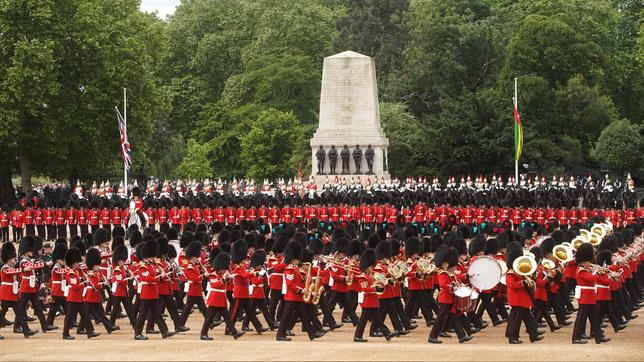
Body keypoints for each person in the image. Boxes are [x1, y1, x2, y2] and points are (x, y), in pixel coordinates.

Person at [276, 241, 324, 341]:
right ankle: (280, 335)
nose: (299, 261)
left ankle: (312, 333)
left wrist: (309, 291)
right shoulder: (289, 269)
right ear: (293, 259)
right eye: (297, 259)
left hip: (297, 296)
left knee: (304, 316)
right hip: (292, 296)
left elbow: (302, 281)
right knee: (286, 316)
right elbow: (290, 284)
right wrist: (301, 290)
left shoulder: (296, 269)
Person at [428, 245, 472, 344]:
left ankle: (462, 336)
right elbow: (444, 285)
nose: (447, 264)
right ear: (442, 263)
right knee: (440, 319)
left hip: (450, 298)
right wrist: (453, 286)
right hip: (445, 299)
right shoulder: (442, 273)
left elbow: (453, 282)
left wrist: (458, 285)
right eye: (446, 262)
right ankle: (432, 336)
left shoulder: (447, 272)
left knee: (455, 316)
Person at [133, 240, 176, 340]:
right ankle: (137, 333)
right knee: (143, 313)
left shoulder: (152, 265)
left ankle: (164, 331)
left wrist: (163, 274)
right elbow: (147, 279)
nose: (153, 258)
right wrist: (160, 277)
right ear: (146, 256)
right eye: (152, 256)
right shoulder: (142, 266)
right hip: (146, 292)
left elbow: (156, 275)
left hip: (153, 292)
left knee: (157, 313)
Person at [353, 248, 396, 342]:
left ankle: (387, 334)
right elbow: (365, 289)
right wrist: (376, 287)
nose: (373, 268)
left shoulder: (370, 276)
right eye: (371, 267)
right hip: (367, 302)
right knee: (363, 321)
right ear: (367, 267)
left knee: (378, 319)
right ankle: (357, 336)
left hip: (373, 301)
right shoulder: (362, 277)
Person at [200, 251, 244, 340]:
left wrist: (228, 278)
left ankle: (234, 333)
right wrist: (224, 278)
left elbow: (224, 283)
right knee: (209, 318)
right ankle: (203, 334)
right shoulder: (213, 275)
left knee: (227, 318)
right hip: (215, 300)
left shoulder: (220, 274)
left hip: (221, 299)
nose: (225, 270)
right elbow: (216, 284)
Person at [572, 243, 610, 344]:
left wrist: (598, 270)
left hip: (590, 296)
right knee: (581, 318)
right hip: (585, 297)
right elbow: (591, 279)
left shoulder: (587, 268)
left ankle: (599, 337)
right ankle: (575, 338)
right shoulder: (581, 269)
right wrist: (596, 271)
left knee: (594, 318)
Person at [505, 242, 542, 344]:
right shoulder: (510, 273)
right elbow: (512, 285)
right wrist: (523, 282)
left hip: (522, 299)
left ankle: (533, 335)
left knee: (529, 319)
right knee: (516, 321)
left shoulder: (519, 272)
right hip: (517, 300)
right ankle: (513, 338)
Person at [0, 242, 37, 338]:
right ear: (9, 259)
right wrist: (23, 270)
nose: (15, 260)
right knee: (1, 315)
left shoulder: (11, 267)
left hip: (13, 294)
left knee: (20, 313)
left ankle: (26, 331)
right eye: (13, 258)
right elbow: (12, 272)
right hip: (6, 294)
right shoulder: (5, 268)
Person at [62, 247, 99, 339]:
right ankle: (65, 334)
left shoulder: (76, 272)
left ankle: (90, 332)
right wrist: (84, 283)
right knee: (70, 317)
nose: (79, 264)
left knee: (85, 314)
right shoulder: (71, 273)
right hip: (73, 298)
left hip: (79, 298)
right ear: (73, 263)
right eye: (77, 263)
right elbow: (75, 287)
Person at [84, 248, 118, 333]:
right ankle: (81, 328)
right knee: (86, 313)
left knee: (101, 313)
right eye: (96, 266)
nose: (98, 267)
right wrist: (103, 284)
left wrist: (104, 280)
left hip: (95, 296)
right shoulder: (91, 274)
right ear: (92, 266)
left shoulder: (98, 272)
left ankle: (109, 327)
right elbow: (95, 285)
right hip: (91, 296)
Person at [46, 242, 68, 328]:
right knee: (53, 308)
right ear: (58, 260)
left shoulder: (61, 267)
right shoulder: (56, 268)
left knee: (66, 308)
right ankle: (48, 324)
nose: (64, 261)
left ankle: (71, 322)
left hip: (61, 291)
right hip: (56, 291)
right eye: (63, 260)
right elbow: (62, 272)